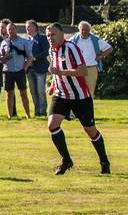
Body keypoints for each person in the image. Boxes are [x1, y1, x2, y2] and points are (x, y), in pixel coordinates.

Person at [45, 23, 110, 175]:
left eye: (53, 34)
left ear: (62, 34)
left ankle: (104, 160)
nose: (50, 38)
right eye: (48, 35)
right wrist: (54, 84)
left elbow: (82, 71)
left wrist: (60, 72)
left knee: (90, 131)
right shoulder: (52, 50)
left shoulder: (71, 48)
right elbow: (56, 71)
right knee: (52, 125)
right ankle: (66, 160)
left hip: (80, 97)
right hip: (61, 95)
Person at [0, 22, 34, 118]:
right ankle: (10, 115)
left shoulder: (23, 42)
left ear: (16, 29)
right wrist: (5, 57)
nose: (11, 31)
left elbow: (30, 56)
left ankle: (28, 115)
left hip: (20, 71)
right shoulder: (4, 43)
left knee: (23, 93)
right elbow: (0, 59)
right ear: (7, 31)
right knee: (9, 94)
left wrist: (25, 68)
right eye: (9, 29)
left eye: (13, 29)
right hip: (8, 71)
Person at [69, 21, 112, 98]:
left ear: (89, 30)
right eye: (82, 29)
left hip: (91, 69)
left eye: (86, 29)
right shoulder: (74, 39)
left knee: (89, 92)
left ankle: (88, 110)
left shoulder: (95, 40)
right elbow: (66, 47)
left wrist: (101, 56)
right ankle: (75, 110)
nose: (84, 31)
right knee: (75, 91)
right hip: (77, 69)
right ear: (79, 30)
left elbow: (109, 48)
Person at [26, 19, 50, 117]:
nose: (27, 28)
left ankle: (42, 111)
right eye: (26, 27)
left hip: (40, 68)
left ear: (35, 27)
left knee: (40, 91)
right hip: (30, 69)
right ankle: (37, 111)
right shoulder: (26, 40)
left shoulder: (42, 38)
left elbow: (47, 51)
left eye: (29, 26)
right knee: (33, 91)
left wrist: (35, 59)